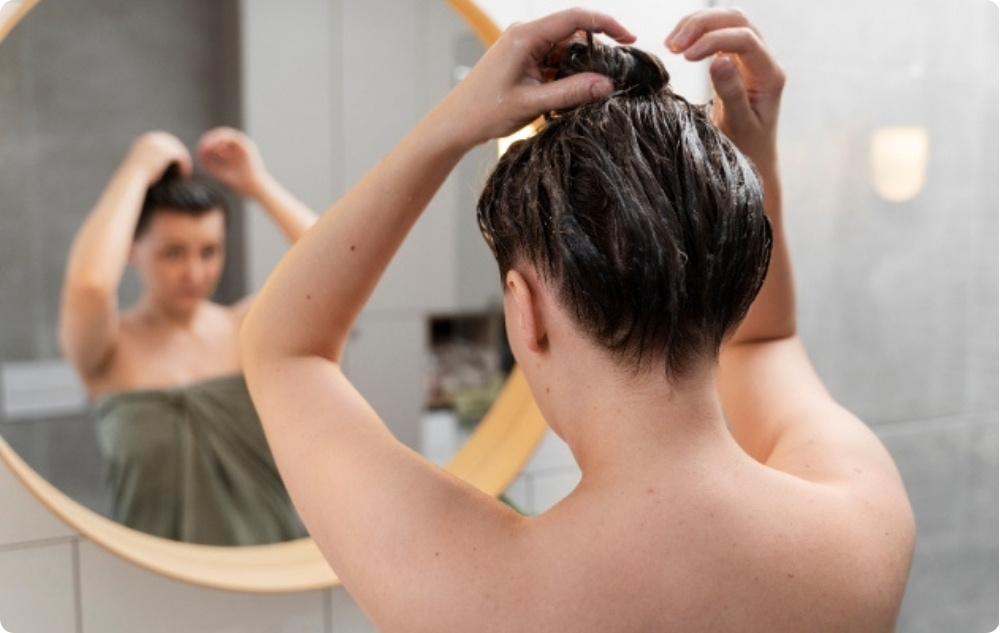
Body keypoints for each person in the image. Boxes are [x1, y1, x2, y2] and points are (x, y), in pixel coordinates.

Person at [240, 7, 915, 631]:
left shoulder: (479, 595)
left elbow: (282, 349)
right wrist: (750, 162)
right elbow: (767, 342)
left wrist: (449, 126)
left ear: (524, 308)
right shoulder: (862, 526)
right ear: (734, 278)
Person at [59, 127, 316, 545]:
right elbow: (90, 285)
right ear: (132, 249)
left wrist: (257, 183)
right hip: (155, 579)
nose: (195, 273)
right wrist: (139, 165)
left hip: (270, 568)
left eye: (209, 251)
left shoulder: (246, 329)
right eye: (173, 252)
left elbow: (338, 266)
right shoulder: (107, 350)